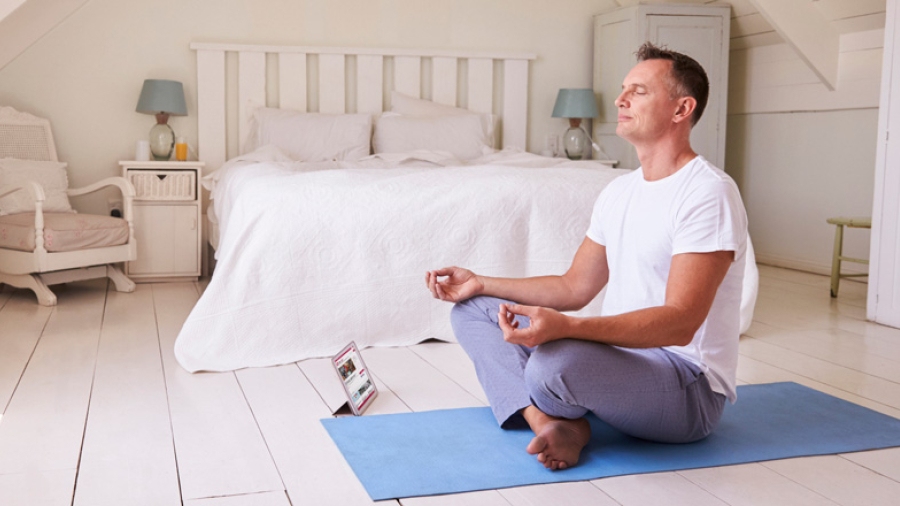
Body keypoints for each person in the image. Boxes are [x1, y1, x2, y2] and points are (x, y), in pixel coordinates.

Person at [424, 42, 748, 471]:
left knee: (553, 363)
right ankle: (551, 423)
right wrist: (481, 283)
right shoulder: (619, 191)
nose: (620, 99)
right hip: (623, 363)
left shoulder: (708, 192)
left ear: (681, 109)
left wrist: (569, 329)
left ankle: (558, 406)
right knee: (472, 312)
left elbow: (682, 321)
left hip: (688, 387)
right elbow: (573, 286)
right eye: (622, 89)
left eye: (639, 91)